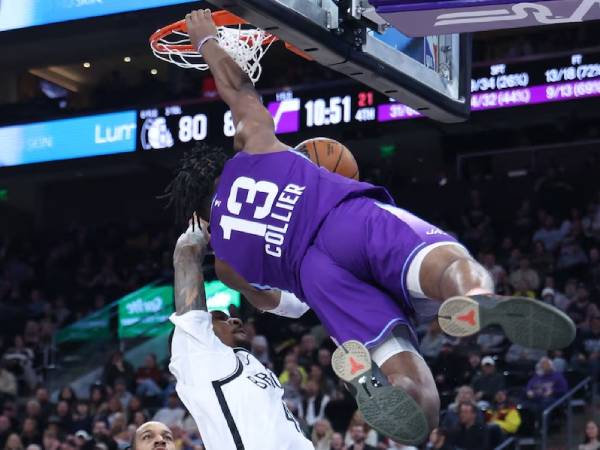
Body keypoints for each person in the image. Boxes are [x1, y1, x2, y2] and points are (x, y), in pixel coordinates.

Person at [163, 8, 576, 445]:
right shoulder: (253, 147)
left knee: (425, 406)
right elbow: (239, 89)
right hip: (345, 221)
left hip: (317, 279)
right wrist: (208, 40)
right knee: (448, 263)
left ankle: (374, 380)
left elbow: (277, 303)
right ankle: (476, 298)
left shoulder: (226, 263)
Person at [167, 215, 313, 450]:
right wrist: (202, 223)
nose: (234, 320)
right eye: (219, 318)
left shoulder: (246, 361)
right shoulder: (197, 353)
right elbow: (185, 256)